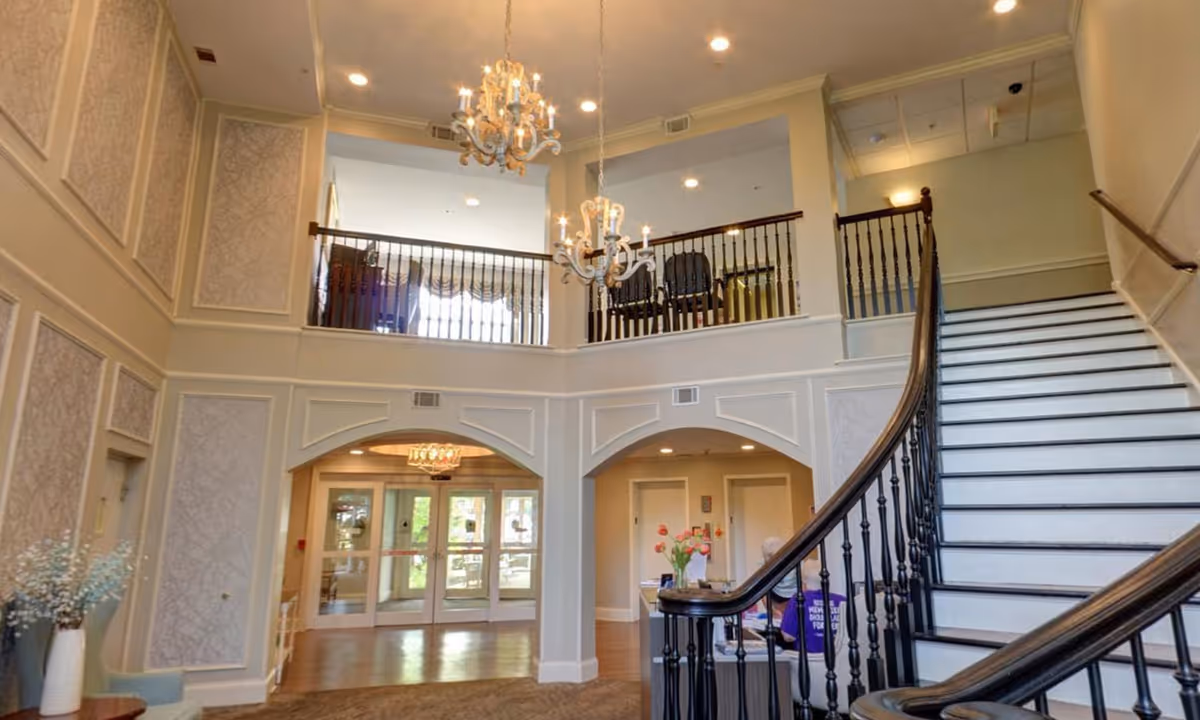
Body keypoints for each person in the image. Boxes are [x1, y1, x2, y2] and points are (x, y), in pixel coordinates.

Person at [779, 558, 846, 654]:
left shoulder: (798, 599)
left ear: (803, 581)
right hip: (839, 661)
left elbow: (788, 636)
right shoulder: (842, 600)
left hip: (810, 661)